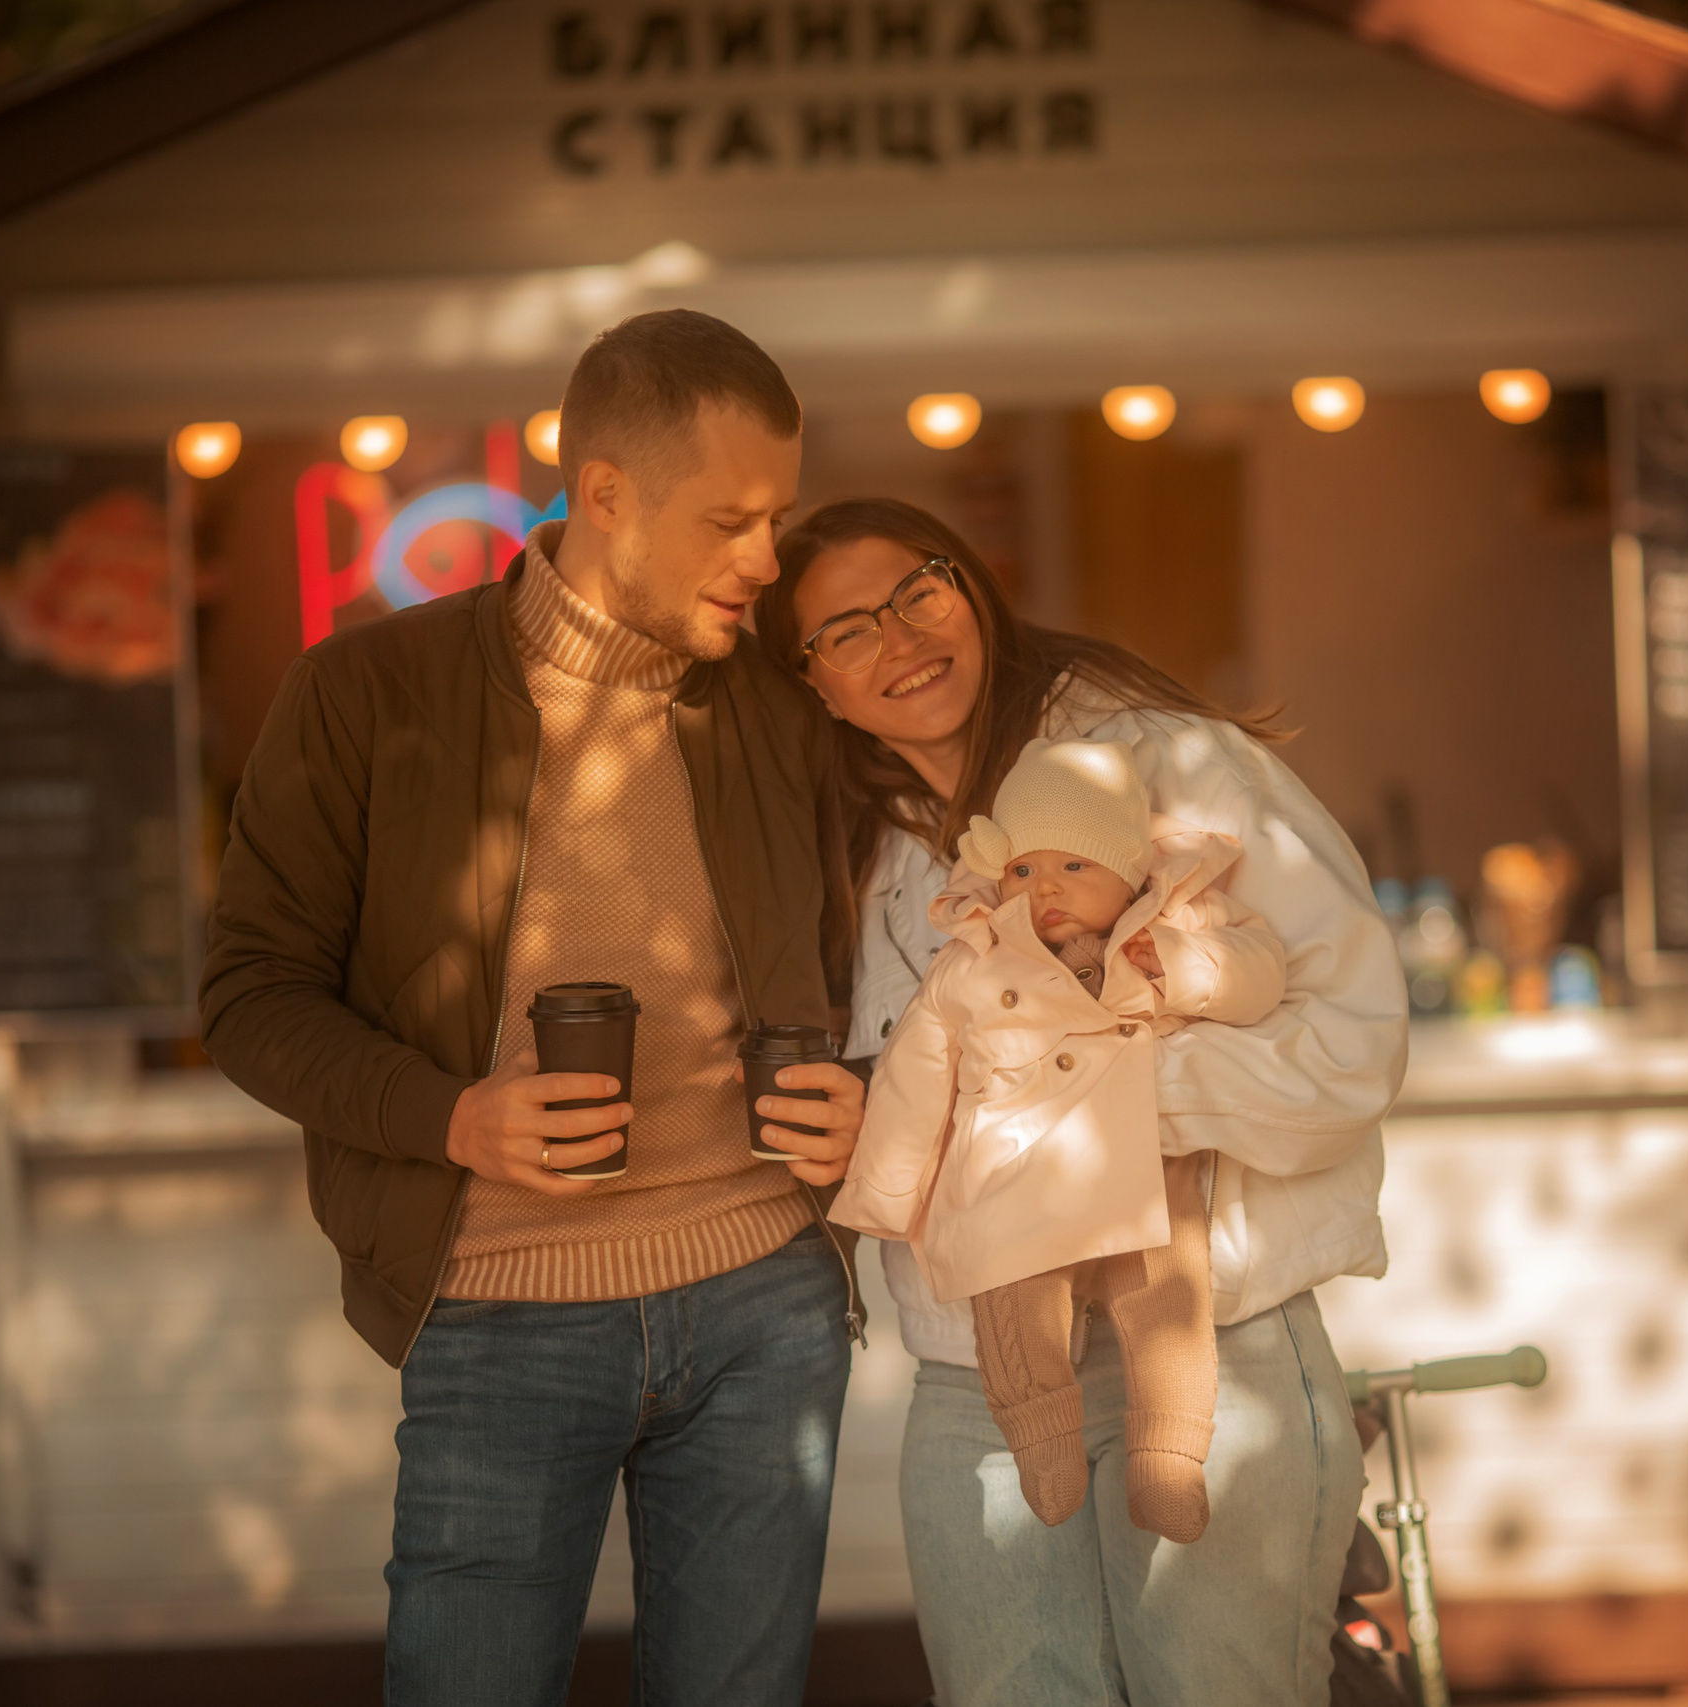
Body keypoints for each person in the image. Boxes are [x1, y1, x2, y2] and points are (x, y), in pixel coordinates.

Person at [200, 310, 866, 1707]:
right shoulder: (365, 695)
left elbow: (892, 929)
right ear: (606, 495)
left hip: (762, 1302)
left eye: (780, 517)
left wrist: (867, 1085)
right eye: (730, 520)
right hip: (497, 1314)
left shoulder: (780, 707)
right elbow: (249, 994)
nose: (767, 560)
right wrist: (452, 1116)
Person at [756, 498, 1408, 1705]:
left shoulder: (1170, 767)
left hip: (1214, 1349)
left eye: (916, 591)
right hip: (977, 1378)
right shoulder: (857, 854)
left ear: (976, 589)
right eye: (843, 632)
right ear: (813, 686)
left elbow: (1354, 1044)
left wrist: (1081, 1109)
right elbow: (919, 1099)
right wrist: (873, 1126)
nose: (897, 639)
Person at [833, 736, 1288, 1546]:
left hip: (1140, 1171)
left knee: (1169, 1300)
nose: (1044, 888)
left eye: (1074, 866)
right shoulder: (973, 958)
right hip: (1016, 1171)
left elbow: (1262, 972)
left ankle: (1168, 1457)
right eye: (1022, 870)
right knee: (1012, 1305)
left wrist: (1183, 964)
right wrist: (888, 1192)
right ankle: (1044, 1450)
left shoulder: (1176, 922)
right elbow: (913, 1074)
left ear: (1129, 871)